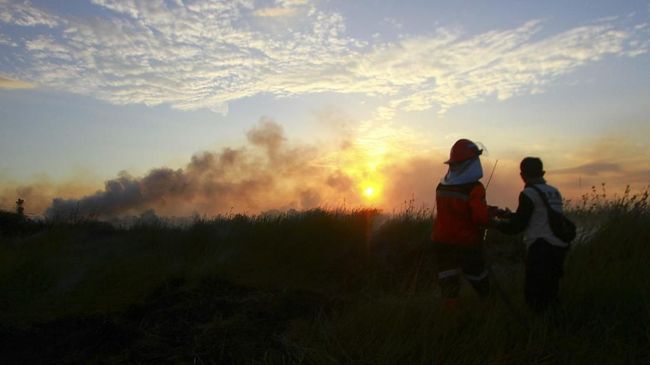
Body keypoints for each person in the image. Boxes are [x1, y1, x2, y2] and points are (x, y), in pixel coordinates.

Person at [493, 157, 569, 313]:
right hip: (559, 248)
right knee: (551, 291)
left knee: (534, 295)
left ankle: (540, 329)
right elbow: (538, 216)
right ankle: (555, 326)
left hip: (541, 248)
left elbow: (519, 226)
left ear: (522, 175)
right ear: (542, 172)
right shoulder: (554, 191)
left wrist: (495, 224)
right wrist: (507, 215)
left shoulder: (528, 193)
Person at [432, 139, 492, 310]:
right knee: (480, 280)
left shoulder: (441, 186)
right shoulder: (475, 188)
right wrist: (493, 219)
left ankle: (451, 324)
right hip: (466, 244)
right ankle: (488, 313)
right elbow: (480, 218)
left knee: (449, 284)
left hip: (441, 242)